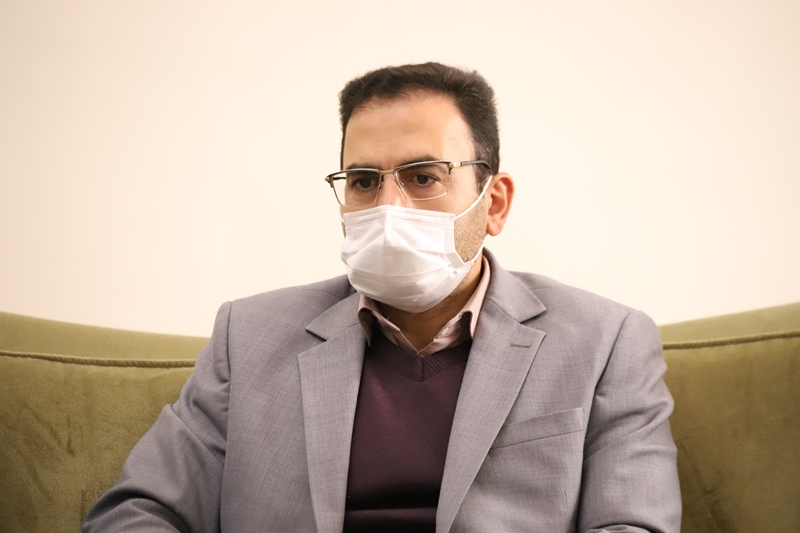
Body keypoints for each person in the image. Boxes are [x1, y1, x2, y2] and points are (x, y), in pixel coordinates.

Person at [84, 62, 681, 532]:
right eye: (365, 181)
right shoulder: (249, 334)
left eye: (423, 177)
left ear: (493, 203)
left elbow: (632, 525)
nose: (389, 208)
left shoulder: (605, 341)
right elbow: (138, 512)